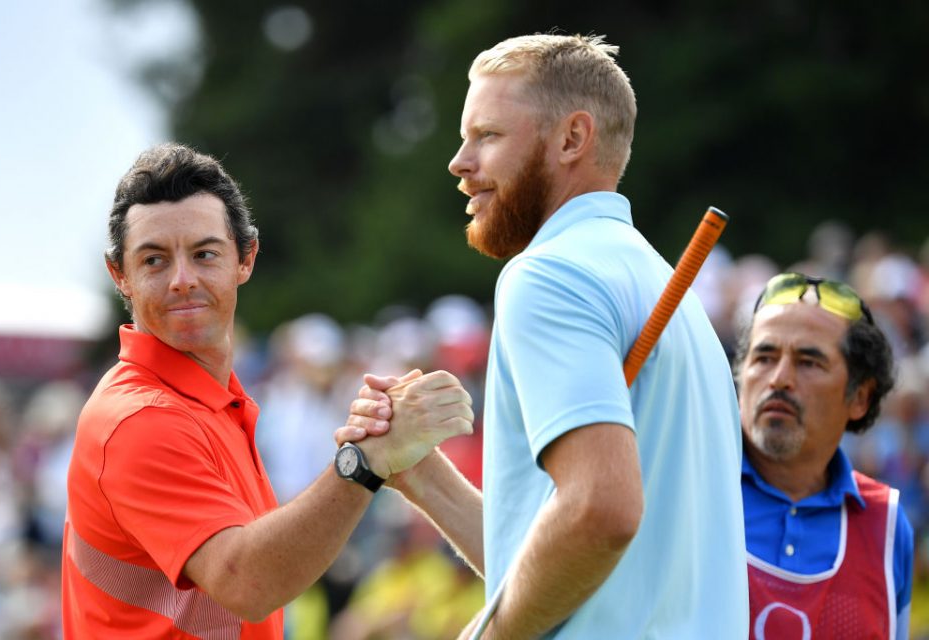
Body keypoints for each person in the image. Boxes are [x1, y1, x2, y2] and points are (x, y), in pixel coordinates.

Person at [343, 33, 748, 638]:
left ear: (571, 139)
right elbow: (563, 566)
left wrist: (491, 634)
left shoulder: (549, 275)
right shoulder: (665, 289)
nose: (459, 163)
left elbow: (601, 510)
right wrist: (420, 473)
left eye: (487, 136)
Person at [61, 143, 474, 638]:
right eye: (154, 260)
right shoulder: (141, 418)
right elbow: (247, 583)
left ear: (246, 258)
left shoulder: (208, 401)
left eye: (204, 253)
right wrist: (364, 463)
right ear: (119, 275)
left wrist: (394, 460)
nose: (182, 280)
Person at [735, 272, 914, 639]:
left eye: (808, 362)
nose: (779, 379)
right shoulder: (682, 488)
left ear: (860, 397)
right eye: (764, 357)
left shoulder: (887, 526)